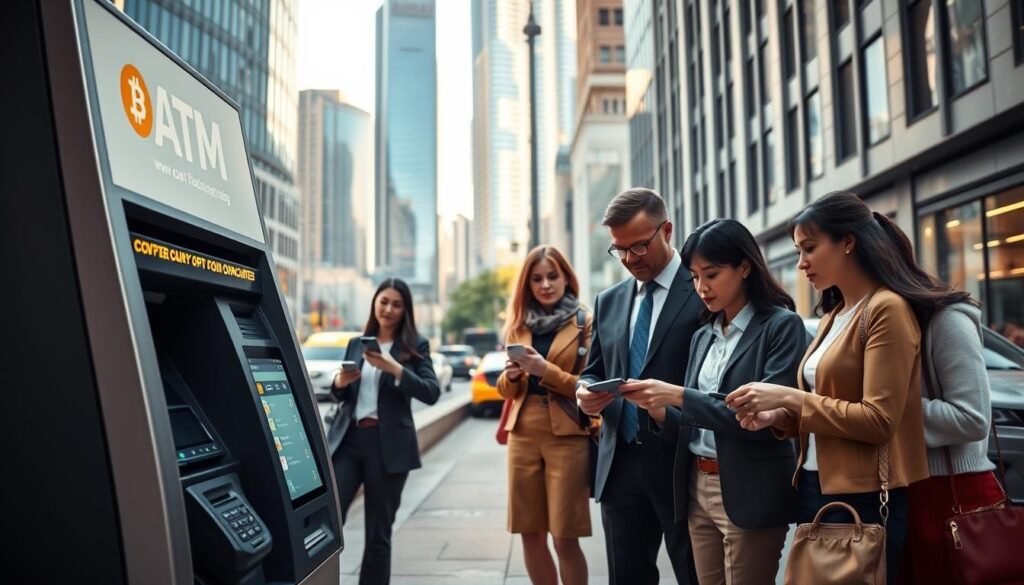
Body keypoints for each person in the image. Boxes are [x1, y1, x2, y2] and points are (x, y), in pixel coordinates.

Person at [726, 192, 929, 583]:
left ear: (847, 242)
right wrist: (777, 417)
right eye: (799, 250)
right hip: (814, 486)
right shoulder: (833, 315)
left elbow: (878, 419)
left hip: (865, 494)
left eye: (810, 248)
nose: (801, 262)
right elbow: (823, 407)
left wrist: (789, 396)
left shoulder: (887, 308)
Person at [618, 219, 808, 584]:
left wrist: (676, 394)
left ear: (745, 267)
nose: (701, 288)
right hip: (695, 485)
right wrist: (658, 409)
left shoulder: (781, 327)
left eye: (711, 274)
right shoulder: (703, 335)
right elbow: (692, 420)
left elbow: (759, 418)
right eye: (693, 277)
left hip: (749, 488)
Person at [575, 188, 702, 585]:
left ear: (667, 230)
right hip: (619, 465)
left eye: (639, 247)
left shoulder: (703, 289)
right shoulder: (609, 299)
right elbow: (594, 369)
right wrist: (585, 391)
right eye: (619, 250)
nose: (629, 259)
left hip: (684, 465)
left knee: (696, 576)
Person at [868, 215, 1003, 584]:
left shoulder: (946, 317)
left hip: (952, 489)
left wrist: (882, 410)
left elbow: (972, 417)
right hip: (899, 490)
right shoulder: (875, 319)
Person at [326, 278, 440, 585]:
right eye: (383, 301)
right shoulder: (356, 343)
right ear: (374, 303)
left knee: (378, 533)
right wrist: (339, 384)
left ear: (405, 310)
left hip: (387, 447)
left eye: (396, 304)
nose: (388, 309)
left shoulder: (415, 347)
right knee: (328, 521)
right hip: (349, 442)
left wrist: (396, 369)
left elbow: (432, 392)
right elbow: (341, 395)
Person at [496, 245, 593, 585]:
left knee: (565, 537)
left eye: (553, 276)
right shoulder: (518, 326)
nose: (546, 284)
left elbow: (590, 387)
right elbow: (506, 391)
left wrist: (544, 369)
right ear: (527, 284)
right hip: (522, 433)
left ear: (567, 277)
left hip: (568, 436)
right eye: (537, 279)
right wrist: (509, 377)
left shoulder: (585, 323)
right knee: (529, 533)